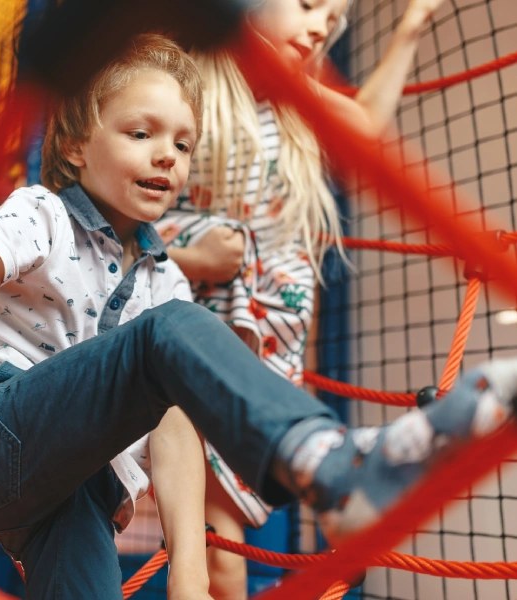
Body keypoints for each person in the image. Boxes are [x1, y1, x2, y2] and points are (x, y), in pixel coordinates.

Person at [0, 33, 515, 600]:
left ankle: (330, 468)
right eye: (140, 133)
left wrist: (188, 579)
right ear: (78, 145)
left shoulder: (161, 278)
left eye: (182, 144)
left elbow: (173, 431)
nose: (166, 157)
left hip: (68, 498)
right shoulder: (40, 214)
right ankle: (333, 468)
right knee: (171, 332)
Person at [155, 0, 448, 596]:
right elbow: (121, 221)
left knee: (222, 535)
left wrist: (412, 26)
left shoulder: (296, 100)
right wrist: (193, 255)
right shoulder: (192, 83)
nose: (320, 27)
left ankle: (339, 472)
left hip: (269, 337)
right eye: (309, 5)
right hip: (197, 323)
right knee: (210, 540)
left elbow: (364, 126)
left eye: (332, 20)